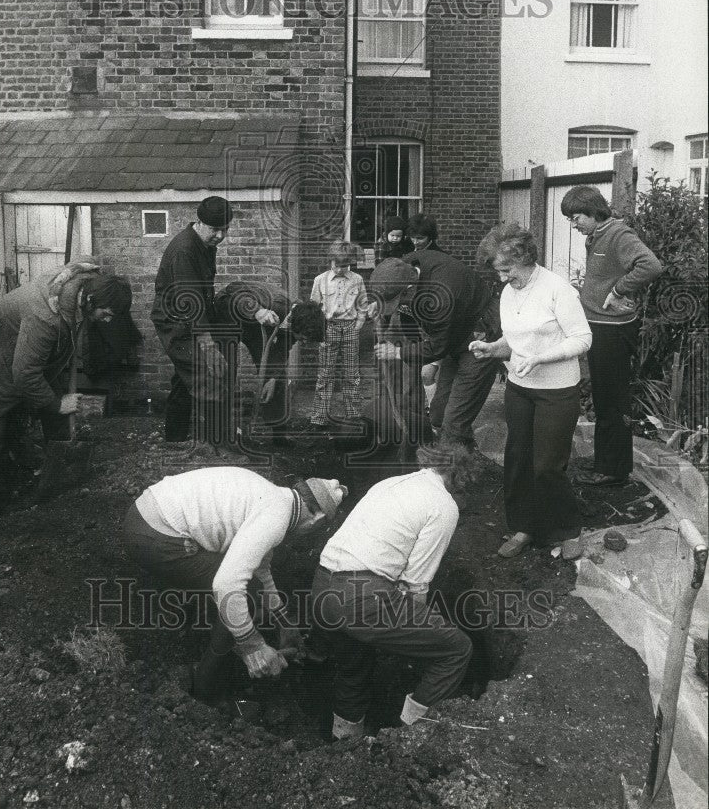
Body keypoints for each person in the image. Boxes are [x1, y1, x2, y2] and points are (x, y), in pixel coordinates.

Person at [122, 468, 347, 703]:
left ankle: (223, 638)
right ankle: (205, 683)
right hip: (155, 534)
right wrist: (253, 646)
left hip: (146, 514)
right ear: (317, 518)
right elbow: (227, 584)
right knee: (244, 595)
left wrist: (283, 622)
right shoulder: (276, 516)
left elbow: (260, 568)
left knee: (247, 588)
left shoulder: (276, 499)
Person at [309, 444, 473, 740]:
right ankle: (406, 735)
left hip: (322, 586)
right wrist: (416, 641)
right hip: (362, 596)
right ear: (458, 481)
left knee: (354, 667)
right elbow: (416, 586)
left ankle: (344, 741)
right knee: (457, 649)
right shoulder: (444, 505)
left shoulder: (389, 484)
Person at [471, 223, 592, 558]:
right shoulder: (510, 292)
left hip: (557, 390)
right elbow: (518, 337)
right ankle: (524, 526)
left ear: (524, 257)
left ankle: (566, 529)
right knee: (518, 459)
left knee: (547, 465)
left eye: (506, 269)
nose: (502, 278)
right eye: (498, 271)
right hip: (519, 388)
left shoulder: (557, 289)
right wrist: (494, 347)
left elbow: (582, 339)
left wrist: (540, 359)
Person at [0, 263, 132, 512]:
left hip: (18, 357)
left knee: (20, 425)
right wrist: (57, 404)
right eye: (106, 313)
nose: (108, 320)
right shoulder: (46, 317)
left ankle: (28, 479)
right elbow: (25, 374)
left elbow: (86, 262)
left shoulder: (81, 285)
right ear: (89, 300)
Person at [560, 186, 663, 487]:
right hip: (600, 327)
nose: (574, 224)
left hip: (613, 331)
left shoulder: (619, 235)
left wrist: (619, 290)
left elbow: (651, 265)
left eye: (576, 217)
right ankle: (609, 461)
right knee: (604, 399)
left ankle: (613, 471)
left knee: (612, 401)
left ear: (593, 212)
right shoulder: (597, 235)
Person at [369, 248, 500, 451]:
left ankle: (455, 471)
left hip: (479, 336)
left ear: (409, 289)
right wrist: (380, 307)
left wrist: (397, 353)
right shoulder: (405, 265)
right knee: (438, 415)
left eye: (393, 302)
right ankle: (465, 451)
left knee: (454, 422)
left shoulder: (439, 296)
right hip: (453, 333)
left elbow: (437, 346)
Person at [151, 196, 233, 448]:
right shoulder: (184, 250)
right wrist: (208, 347)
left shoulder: (205, 245)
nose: (219, 235)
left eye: (224, 229)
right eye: (214, 229)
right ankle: (218, 448)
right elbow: (191, 302)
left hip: (192, 321)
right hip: (177, 324)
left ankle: (174, 440)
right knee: (207, 378)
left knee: (183, 380)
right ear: (199, 222)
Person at [214, 280, 325, 438]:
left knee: (278, 375)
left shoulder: (295, 323)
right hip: (228, 317)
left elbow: (281, 350)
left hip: (255, 329)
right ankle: (224, 431)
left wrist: (272, 377)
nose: (304, 342)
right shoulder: (276, 302)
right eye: (305, 338)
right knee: (225, 370)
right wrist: (257, 310)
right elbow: (233, 288)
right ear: (298, 326)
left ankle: (279, 434)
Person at [309, 240, 369, 427]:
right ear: (330, 261)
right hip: (329, 328)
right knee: (325, 375)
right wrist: (320, 330)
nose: (341, 269)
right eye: (337, 265)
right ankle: (318, 419)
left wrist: (358, 324)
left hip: (350, 328)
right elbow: (314, 307)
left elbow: (363, 304)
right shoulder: (320, 280)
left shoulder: (357, 280)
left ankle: (353, 417)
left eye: (345, 265)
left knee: (351, 374)